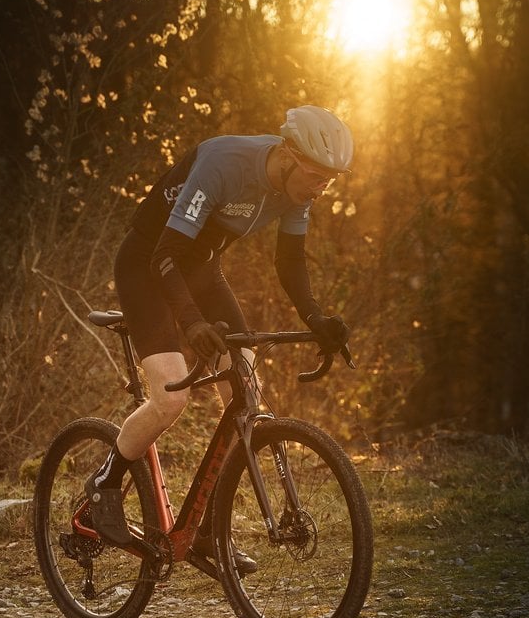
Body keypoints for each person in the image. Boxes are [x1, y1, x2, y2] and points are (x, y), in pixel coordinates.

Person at [86, 105, 354, 570]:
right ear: (288, 155)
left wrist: (317, 319)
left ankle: (207, 532)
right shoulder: (223, 162)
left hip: (203, 271)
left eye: (328, 181)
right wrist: (191, 323)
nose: (319, 188)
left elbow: (290, 263)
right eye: (316, 176)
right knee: (170, 398)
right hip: (149, 265)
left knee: (245, 392)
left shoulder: (299, 188)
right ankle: (103, 488)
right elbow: (165, 255)